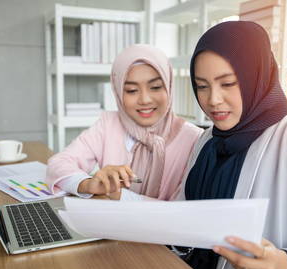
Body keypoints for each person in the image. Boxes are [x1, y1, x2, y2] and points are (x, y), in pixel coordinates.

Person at [120, 21, 287, 269]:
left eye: (227, 84)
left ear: (257, 78)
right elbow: (182, 218)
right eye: (202, 86)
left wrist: (284, 265)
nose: (212, 100)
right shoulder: (206, 140)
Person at [46, 44, 202, 201]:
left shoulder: (195, 139)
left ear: (169, 86)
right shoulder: (108, 124)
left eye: (155, 87)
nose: (145, 100)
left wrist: (119, 195)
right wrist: (87, 184)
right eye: (131, 91)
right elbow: (58, 163)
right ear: (118, 92)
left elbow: (182, 208)